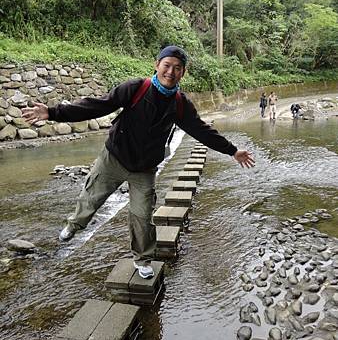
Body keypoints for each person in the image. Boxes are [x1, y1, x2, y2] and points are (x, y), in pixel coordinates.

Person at [23, 45, 255, 279]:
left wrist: (232, 151)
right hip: (113, 158)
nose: (171, 72)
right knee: (91, 198)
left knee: (142, 217)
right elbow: (97, 105)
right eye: (167, 66)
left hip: (144, 169)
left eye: (177, 68)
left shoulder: (180, 104)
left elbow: (202, 131)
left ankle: (143, 259)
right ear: (157, 65)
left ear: (183, 73)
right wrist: (53, 113)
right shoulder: (135, 88)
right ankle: (74, 225)